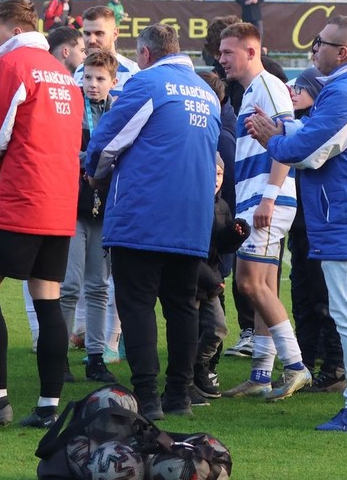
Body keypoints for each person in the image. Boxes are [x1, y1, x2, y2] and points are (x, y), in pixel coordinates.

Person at [249, 15, 347, 432]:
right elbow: (319, 135)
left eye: (320, 43)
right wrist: (286, 131)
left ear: (342, 51)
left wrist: (272, 138)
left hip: (346, 214)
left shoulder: (344, 92)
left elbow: (309, 152)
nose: (313, 50)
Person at [0, 0, 83, 431]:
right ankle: (47, 405)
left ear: (15, 31)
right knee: (47, 299)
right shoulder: (63, 74)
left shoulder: (11, 66)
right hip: (59, 203)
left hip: (21, 199)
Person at [85, 23, 220, 419]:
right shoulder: (207, 92)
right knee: (182, 306)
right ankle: (178, 395)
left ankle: (147, 396)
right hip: (192, 216)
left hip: (142, 214)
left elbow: (107, 143)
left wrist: (95, 171)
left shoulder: (146, 84)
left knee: (137, 304)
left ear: (144, 54)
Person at [217, 22, 309, 402]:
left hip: (266, 201)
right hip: (258, 199)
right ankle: (260, 372)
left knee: (249, 283)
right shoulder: (254, 90)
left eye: (228, 52)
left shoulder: (270, 86)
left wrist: (269, 197)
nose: (221, 59)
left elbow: (286, 142)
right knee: (263, 287)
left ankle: (295, 365)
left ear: (252, 52)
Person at [286, 67, 346, 393]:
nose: (294, 93)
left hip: (319, 223)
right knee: (302, 296)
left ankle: (335, 368)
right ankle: (306, 362)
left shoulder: (320, 125)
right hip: (300, 224)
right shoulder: (300, 123)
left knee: (324, 299)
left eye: (302, 88)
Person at [61, 50, 118, 384]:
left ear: (112, 81)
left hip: (104, 207)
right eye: (87, 78)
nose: (92, 85)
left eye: (99, 79)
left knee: (98, 286)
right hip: (72, 204)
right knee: (69, 285)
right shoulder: (70, 109)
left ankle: (96, 356)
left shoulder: (118, 110)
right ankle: (58, 358)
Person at [190, 153, 249, 405]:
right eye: (211, 172)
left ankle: (198, 367)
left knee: (218, 327)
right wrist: (211, 279)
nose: (215, 179)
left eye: (219, 174)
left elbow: (220, 246)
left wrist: (236, 234)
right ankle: (187, 379)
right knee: (189, 329)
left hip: (211, 279)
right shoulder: (191, 202)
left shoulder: (221, 206)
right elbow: (190, 250)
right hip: (192, 278)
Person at [75, 5, 139, 97]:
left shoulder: (132, 73)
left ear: (115, 34)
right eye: (87, 33)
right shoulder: (79, 70)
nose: (92, 40)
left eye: (99, 33)